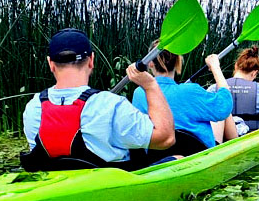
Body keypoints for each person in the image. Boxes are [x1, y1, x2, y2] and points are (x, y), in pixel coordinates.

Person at [21, 28, 174, 170]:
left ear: (50, 64)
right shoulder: (111, 105)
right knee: (177, 157)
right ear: (91, 60)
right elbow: (166, 139)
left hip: (57, 189)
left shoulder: (33, 107)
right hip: (115, 189)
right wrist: (150, 86)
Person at [132, 46, 237, 150]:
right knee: (220, 111)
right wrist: (215, 67)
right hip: (196, 156)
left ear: (150, 63)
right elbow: (225, 106)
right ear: (178, 62)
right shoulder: (191, 91)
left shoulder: (139, 93)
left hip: (155, 158)